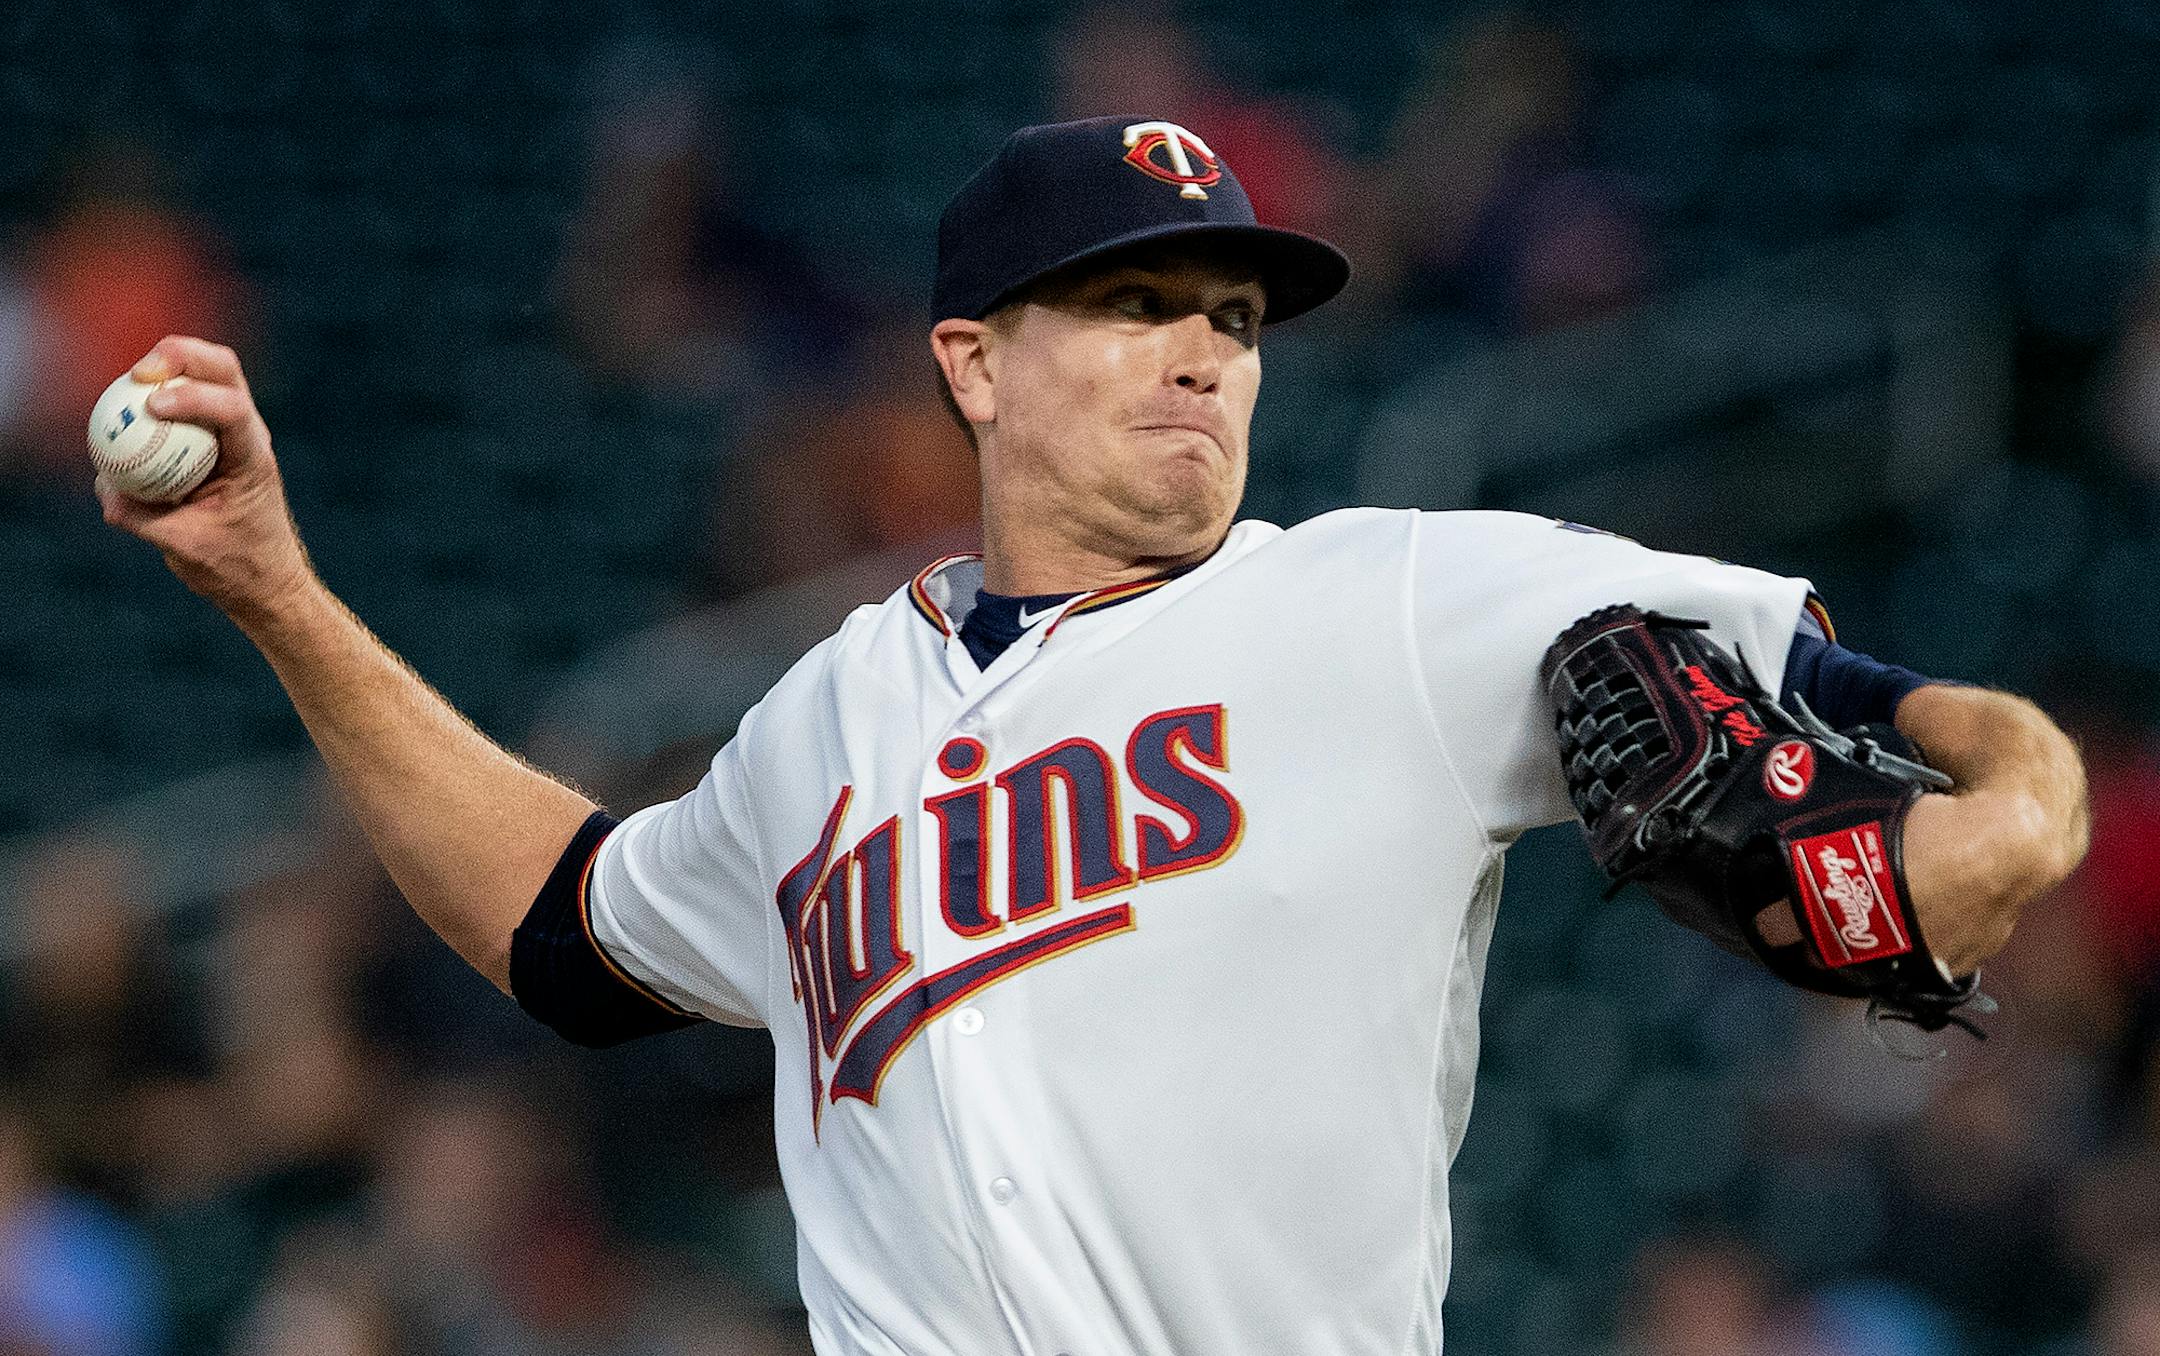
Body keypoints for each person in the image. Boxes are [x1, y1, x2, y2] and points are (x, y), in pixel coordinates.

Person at [98, 117, 2088, 1355]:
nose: (1207, 345)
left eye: (1231, 309)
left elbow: (1851, 696)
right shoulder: (817, 728)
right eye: (1136, 299)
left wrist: (2021, 791)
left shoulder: (1392, 597)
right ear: (971, 361)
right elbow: (558, 926)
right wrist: (275, 586)